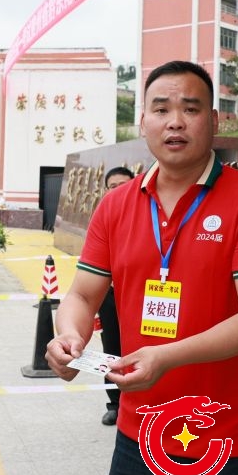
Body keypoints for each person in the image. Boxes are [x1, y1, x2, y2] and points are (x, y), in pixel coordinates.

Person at [46, 60, 238, 475]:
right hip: (136, 434)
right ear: (143, 121)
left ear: (213, 121)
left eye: (191, 109)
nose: (175, 122)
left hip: (224, 441)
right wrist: (69, 336)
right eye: (161, 109)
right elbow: (83, 296)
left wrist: (164, 356)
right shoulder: (116, 205)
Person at [97, 165, 134, 427]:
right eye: (113, 187)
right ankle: (114, 405)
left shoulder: (148, 217)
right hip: (111, 295)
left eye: (125, 186)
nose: (119, 191)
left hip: (142, 297)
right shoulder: (103, 218)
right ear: (105, 191)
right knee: (111, 351)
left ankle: (142, 404)